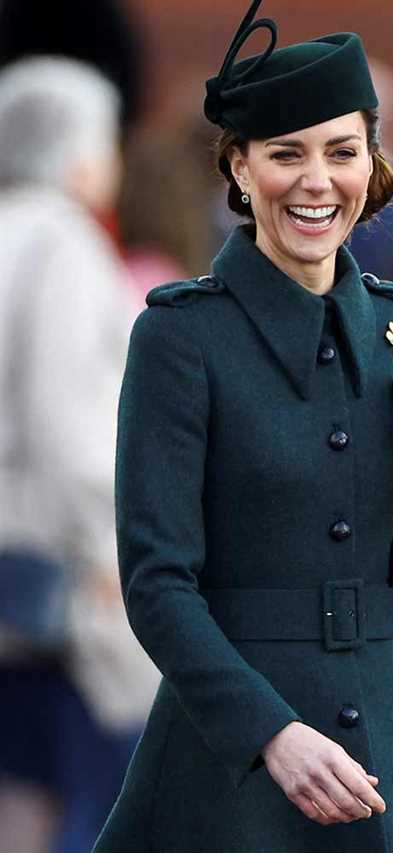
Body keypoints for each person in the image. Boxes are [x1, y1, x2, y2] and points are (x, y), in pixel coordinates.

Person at [92, 4, 393, 851]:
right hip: (230, 766)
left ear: (371, 165)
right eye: (285, 154)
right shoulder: (181, 337)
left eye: (342, 152)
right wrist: (272, 733)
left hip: (382, 750)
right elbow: (157, 586)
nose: (317, 181)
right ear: (238, 169)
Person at [0, 57, 157, 853]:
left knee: (21, 786)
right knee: (103, 789)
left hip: (16, 561)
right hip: (53, 560)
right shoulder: (62, 243)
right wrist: (109, 541)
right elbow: (69, 422)